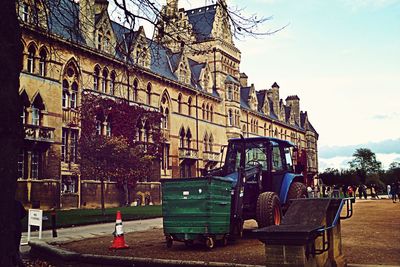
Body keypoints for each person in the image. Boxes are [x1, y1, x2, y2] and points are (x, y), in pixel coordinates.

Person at [13, 199, 27, 267]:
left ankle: (18, 263)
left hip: (10, 228)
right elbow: (24, 213)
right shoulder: (17, 203)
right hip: (17, 227)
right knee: (16, 247)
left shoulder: (4, 203)